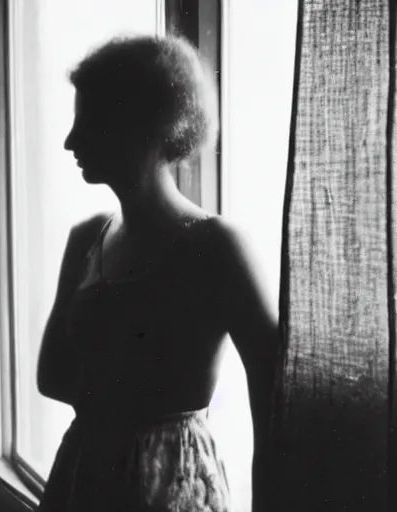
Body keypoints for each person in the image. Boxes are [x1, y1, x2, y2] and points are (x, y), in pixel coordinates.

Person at [36, 34, 280, 512]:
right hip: (85, 475)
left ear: (142, 126)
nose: (70, 141)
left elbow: (276, 396)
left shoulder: (217, 246)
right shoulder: (87, 236)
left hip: (172, 483)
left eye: (89, 122)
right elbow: (51, 377)